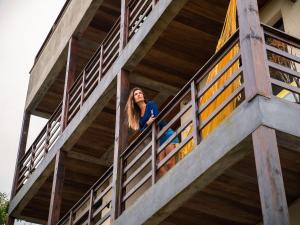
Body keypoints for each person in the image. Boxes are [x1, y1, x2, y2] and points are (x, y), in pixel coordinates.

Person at [126, 87, 179, 177]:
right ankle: (170, 182)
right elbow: (142, 131)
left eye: (140, 93)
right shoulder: (139, 118)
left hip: (166, 133)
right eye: (136, 94)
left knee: (170, 163)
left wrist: (147, 125)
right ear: (133, 100)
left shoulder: (150, 104)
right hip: (157, 140)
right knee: (160, 167)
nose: (139, 95)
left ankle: (175, 180)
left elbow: (155, 117)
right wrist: (147, 123)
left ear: (143, 95)